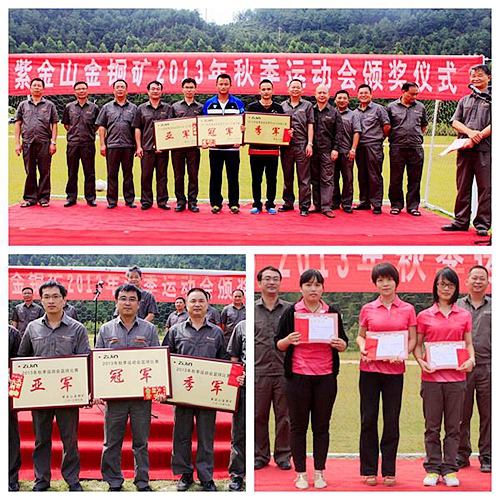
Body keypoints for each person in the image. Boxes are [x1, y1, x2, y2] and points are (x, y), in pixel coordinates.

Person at [275, 269, 348, 489]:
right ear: (301, 288)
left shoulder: (331, 312)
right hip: (298, 377)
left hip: (325, 377)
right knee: (298, 427)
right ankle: (300, 473)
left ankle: (319, 472)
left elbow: (344, 343)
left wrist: (340, 344)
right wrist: (289, 339)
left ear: (323, 288)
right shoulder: (291, 312)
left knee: (321, 426)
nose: (313, 289)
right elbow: (278, 344)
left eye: (317, 285)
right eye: (308, 285)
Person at [17, 280, 90, 492]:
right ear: (41, 300)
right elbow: (22, 358)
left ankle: (72, 479)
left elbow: (85, 361)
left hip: (68, 394)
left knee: (70, 440)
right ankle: (41, 479)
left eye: (56, 296)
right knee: (41, 440)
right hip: (40, 396)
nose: (51, 301)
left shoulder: (77, 328)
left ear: (64, 300)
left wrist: (86, 391)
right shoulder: (32, 328)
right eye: (46, 297)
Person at [355, 262, 417, 487]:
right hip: (369, 371)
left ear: (396, 282)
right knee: (368, 419)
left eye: (389, 279)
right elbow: (360, 336)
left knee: (391, 420)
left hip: (394, 372)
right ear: (375, 283)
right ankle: (369, 470)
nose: (385, 284)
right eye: (380, 280)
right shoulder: (368, 308)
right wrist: (363, 347)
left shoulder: (408, 309)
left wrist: (403, 353)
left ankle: (389, 470)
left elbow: (413, 338)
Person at [162, 288, 228, 491]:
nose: (197, 304)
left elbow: (225, 362)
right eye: (193, 301)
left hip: (207, 396)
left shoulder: (217, 333)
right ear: (186, 304)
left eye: (201, 301)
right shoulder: (175, 331)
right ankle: (185, 474)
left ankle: (206, 476)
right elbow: (164, 360)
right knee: (181, 435)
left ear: (208, 305)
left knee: (206, 436)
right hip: (182, 394)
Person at [95, 284, 160, 492]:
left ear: (139, 304)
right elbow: (98, 363)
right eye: (123, 298)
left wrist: (158, 389)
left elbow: (157, 362)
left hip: (141, 398)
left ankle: (142, 481)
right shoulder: (106, 329)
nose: (127, 303)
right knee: (112, 442)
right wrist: (97, 390)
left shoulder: (149, 329)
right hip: (115, 398)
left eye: (132, 299)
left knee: (141, 442)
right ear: (116, 302)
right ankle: (114, 481)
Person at [415, 267, 475, 487]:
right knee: (431, 426)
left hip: (456, 379)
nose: (446, 288)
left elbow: (468, 343)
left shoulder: (464, 315)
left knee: (454, 427)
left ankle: (450, 469)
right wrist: (420, 361)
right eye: (442, 284)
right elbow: (418, 345)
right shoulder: (424, 315)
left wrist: (471, 360)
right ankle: (432, 468)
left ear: (456, 288)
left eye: (450, 285)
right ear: (435, 287)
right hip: (431, 380)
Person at [442, 64, 491, 237]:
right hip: (464, 148)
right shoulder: (464, 100)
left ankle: (482, 224)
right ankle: (460, 221)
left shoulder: (492, 99)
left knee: (486, 187)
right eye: (473, 76)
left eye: (480, 75)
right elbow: (455, 122)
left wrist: (479, 136)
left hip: (485, 149)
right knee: (463, 186)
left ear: (489, 78)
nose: (476, 78)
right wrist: (470, 133)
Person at [254, 266, 292, 471]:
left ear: (280, 283)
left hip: (284, 371)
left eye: (275, 279)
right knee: (258, 416)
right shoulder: (251, 310)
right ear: (259, 283)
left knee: (284, 417)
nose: (271, 282)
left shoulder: (290, 310)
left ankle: (283, 455)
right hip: (258, 372)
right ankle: (259, 455)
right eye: (267, 279)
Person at [456, 265, 491, 473]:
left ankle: (488, 456)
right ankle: (461, 454)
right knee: (462, 413)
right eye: (474, 278)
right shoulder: (457, 306)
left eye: (482, 278)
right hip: (463, 367)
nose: (478, 282)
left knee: (489, 414)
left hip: (489, 366)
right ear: (467, 281)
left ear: (488, 282)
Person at [203, 73, 245, 214]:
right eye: (221, 84)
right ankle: (216, 203)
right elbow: (204, 125)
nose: (223, 86)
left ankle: (234, 203)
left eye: (226, 84)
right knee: (215, 176)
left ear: (230, 85)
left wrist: (240, 139)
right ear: (216, 85)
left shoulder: (238, 103)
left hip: (233, 148)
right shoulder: (209, 103)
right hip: (215, 148)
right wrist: (205, 140)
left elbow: (243, 124)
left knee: (233, 177)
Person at [14, 77, 59, 208]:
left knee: (45, 170)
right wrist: (17, 143)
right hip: (28, 142)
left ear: (43, 89)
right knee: (30, 171)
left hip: (44, 142)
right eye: (34, 85)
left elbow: (54, 124)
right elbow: (18, 124)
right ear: (30, 88)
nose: (37, 87)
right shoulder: (23, 105)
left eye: (39, 86)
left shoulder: (49, 105)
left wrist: (53, 142)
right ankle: (30, 198)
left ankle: (44, 198)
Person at [386, 82, 428, 216]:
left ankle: (413, 206)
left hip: (415, 147)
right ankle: (396, 205)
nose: (415, 97)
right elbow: (387, 127)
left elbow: (423, 126)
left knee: (415, 178)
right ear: (403, 92)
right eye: (412, 94)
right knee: (396, 178)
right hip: (397, 147)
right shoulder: (391, 107)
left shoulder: (420, 107)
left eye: (416, 94)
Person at [96, 79, 138, 209]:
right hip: (112, 146)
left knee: (128, 174)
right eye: (117, 87)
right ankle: (112, 201)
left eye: (122, 87)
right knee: (112, 174)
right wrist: (102, 144)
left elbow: (137, 128)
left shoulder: (133, 108)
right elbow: (102, 126)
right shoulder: (107, 107)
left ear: (126, 90)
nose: (120, 89)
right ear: (113, 90)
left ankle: (129, 200)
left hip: (128, 146)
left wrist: (137, 146)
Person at [133, 80, 173, 210]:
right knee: (146, 176)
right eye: (153, 89)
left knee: (162, 176)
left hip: (163, 149)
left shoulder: (168, 108)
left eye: (158, 89)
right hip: (147, 148)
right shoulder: (141, 108)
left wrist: (166, 145)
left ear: (161, 92)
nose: (155, 91)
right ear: (148, 92)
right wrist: (139, 146)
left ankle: (162, 201)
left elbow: (172, 128)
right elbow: (137, 128)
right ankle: (146, 201)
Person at [246, 79, 284, 214]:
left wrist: (288, 132)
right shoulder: (252, 107)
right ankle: (256, 204)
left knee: (271, 179)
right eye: (263, 89)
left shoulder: (278, 108)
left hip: (272, 151)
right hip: (255, 150)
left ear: (272, 91)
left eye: (268, 89)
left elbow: (283, 127)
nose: (266, 92)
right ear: (259, 91)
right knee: (256, 179)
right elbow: (247, 126)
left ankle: (270, 204)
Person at [61, 81, 100, 207]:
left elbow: (96, 125)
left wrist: (88, 133)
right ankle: (71, 197)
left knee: (89, 172)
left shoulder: (94, 108)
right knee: (72, 172)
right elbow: (67, 125)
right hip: (73, 144)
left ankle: (90, 198)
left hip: (88, 144)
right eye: (78, 89)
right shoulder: (69, 107)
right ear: (74, 92)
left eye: (83, 89)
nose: (81, 91)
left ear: (87, 91)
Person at [279, 79, 314, 217]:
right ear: (288, 89)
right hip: (286, 146)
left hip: (302, 145)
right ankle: (288, 202)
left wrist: (309, 143)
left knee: (304, 178)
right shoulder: (282, 106)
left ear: (302, 90)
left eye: (297, 87)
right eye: (293, 87)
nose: (295, 89)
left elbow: (310, 124)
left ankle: (304, 206)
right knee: (287, 176)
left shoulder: (307, 105)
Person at [354, 84, 391, 214]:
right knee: (362, 174)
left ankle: (376, 204)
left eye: (366, 93)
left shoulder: (379, 109)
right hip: (359, 147)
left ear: (371, 94)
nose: (363, 95)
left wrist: (380, 138)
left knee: (374, 175)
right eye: (361, 93)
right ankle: (364, 202)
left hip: (374, 146)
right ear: (357, 95)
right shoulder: (355, 112)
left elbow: (387, 126)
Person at [171, 78, 204, 213]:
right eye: (186, 87)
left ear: (195, 89)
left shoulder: (200, 107)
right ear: (182, 89)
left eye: (191, 87)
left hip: (193, 149)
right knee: (178, 176)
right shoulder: (175, 107)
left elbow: (204, 127)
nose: (189, 90)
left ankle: (192, 202)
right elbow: (169, 126)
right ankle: (180, 201)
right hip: (177, 148)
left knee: (193, 175)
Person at [311, 84, 341, 218]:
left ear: (329, 95)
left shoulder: (334, 112)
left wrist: (335, 149)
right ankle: (317, 205)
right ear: (315, 95)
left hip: (327, 150)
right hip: (313, 150)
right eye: (319, 93)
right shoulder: (311, 110)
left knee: (327, 179)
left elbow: (339, 132)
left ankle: (326, 207)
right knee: (314, 179)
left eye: (324, 93)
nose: (322, 95)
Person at [332, 90, 361, 214]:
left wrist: (353, 149)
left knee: (347, 178)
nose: (342, 100)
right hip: (333, 152)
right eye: (339, 98)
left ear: (348, 101)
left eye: (344, 98)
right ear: (335, 100)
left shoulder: (353, 115)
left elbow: (356, 132)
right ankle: (334, 202)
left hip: (347, 151)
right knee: (332, 178)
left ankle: (347, 203)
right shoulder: (331, 113)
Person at [227, 320, 246, 491]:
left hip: (267, 378)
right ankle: (237, 474)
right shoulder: (241, 326)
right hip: (244, 386)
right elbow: (234, 358)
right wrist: (236, 379)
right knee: (239, 432)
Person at [9, 325, 22, 492]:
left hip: (6, 392)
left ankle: (11, 477)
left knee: (10, 435)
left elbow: (20, 365)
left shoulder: (12, 334)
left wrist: (15, 396)